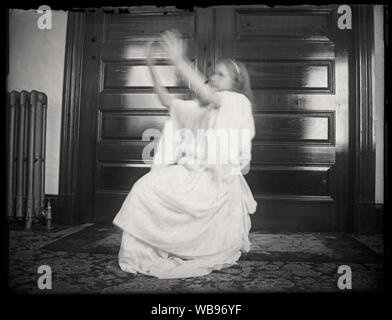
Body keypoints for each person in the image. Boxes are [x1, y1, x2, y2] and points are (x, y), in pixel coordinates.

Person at [112, 30, 257, 279]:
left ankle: (195, 248)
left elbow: (209, 95)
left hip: (216, 180)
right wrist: (151, 65)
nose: (213, 77)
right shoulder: (203, 107)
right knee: (144, 187)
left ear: (235, 83)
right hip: (192, 172)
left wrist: (178, 60)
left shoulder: (237, 101)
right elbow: (167, 100)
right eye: (213, 72)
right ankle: (145, 251)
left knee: (148, 189)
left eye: (220, 74)